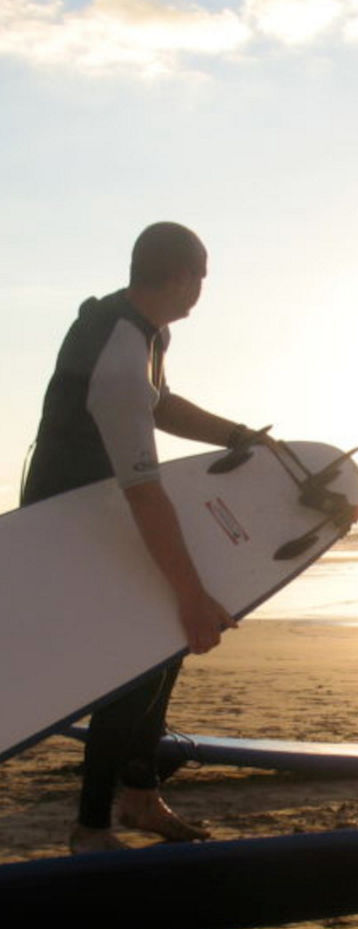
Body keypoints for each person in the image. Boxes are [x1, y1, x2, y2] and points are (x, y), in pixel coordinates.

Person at [22, 222, 266, 855]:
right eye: (201, 279)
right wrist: (192, 594)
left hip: (95, 511)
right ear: (183, 277)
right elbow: (145, 492)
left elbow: (161, 403)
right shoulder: (121, 358)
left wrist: (237, 435)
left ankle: (137, 792)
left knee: (163, 643)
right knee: (132, 656)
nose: (201, 292)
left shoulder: (137, 328)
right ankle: (93, 827)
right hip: (69, 526)